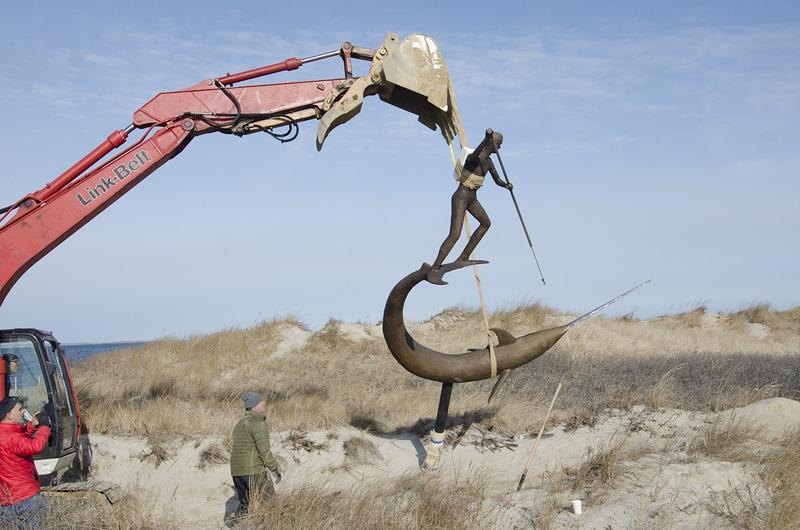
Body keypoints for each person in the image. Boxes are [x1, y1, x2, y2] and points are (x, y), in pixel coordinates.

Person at [428, 128, 512, 285]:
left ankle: (464, 257)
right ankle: (435, 267)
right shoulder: (473, 158)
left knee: (486, 223)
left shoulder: (489, 162)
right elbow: (476, 154)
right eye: (498, 144)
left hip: (472, 197)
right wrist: (485, 139)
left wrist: (507, 185)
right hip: (461, 196)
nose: (499, 148)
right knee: (455, 234)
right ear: (491, 144)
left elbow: (497, 180)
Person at [0, 397, 51, 529]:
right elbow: (36, 446)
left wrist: (31, 426)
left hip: (7, 500)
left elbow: (16, 442)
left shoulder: (5, 433)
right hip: (26, 497)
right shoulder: (11, 437)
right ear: (9, 415)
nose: (23, 412)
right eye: (19, 409)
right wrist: (44, 426)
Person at [230, 392, 281, 521]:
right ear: (255, 406)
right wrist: (274, 469)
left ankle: (237, 525)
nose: (264, 403)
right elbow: (264, 451)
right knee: (270, 503)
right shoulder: (258, 423)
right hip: (253, 471)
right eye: (262, 402)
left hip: (236, 471)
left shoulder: (240, 423)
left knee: (244, 504)